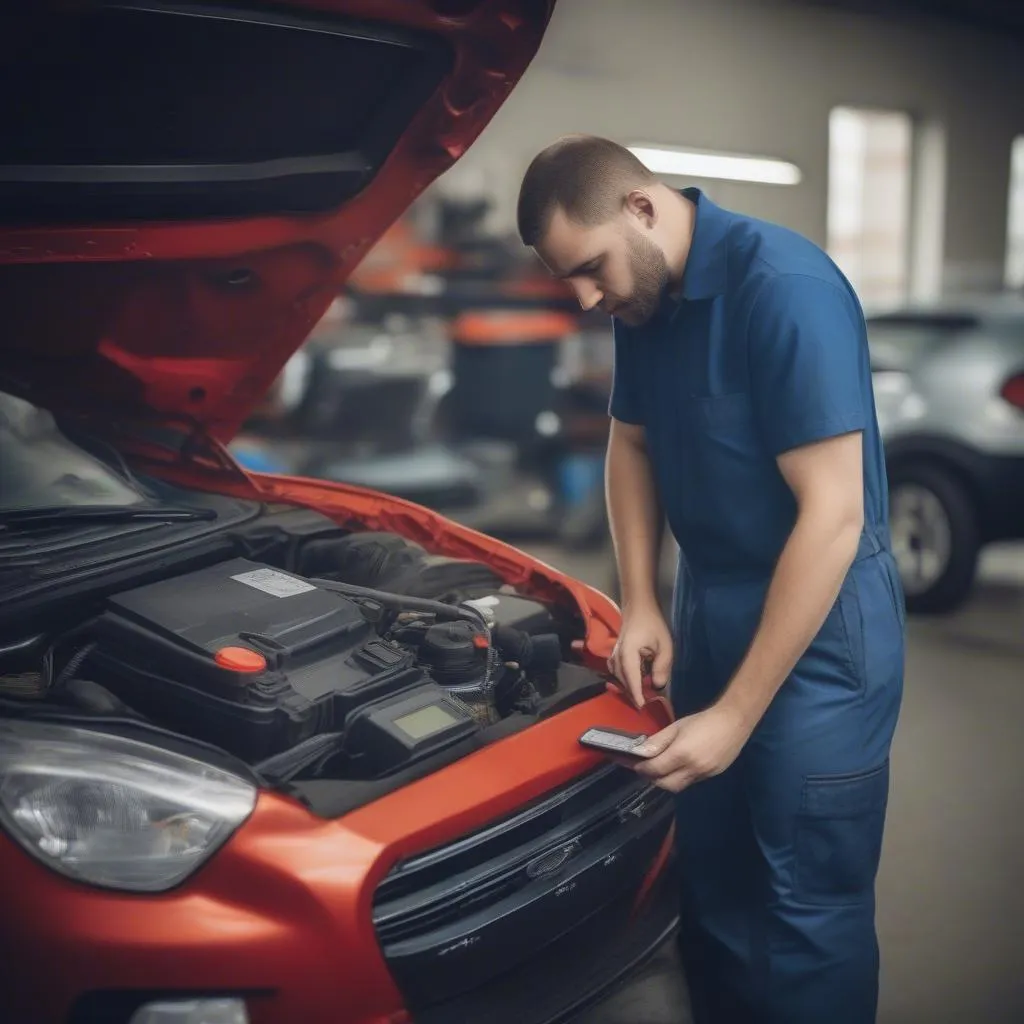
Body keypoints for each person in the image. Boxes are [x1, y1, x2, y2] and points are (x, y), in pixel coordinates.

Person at [516, 135, 905, 1024]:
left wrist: (737, 712)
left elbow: (833, 518)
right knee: (715, 882)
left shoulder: (785, 291)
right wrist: (645, 598)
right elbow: (633, 441)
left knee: (805, 904)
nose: (585, 299)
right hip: (712, 601)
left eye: (589, 269)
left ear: (642, 210)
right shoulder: (642, 301)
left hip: (822, 624)